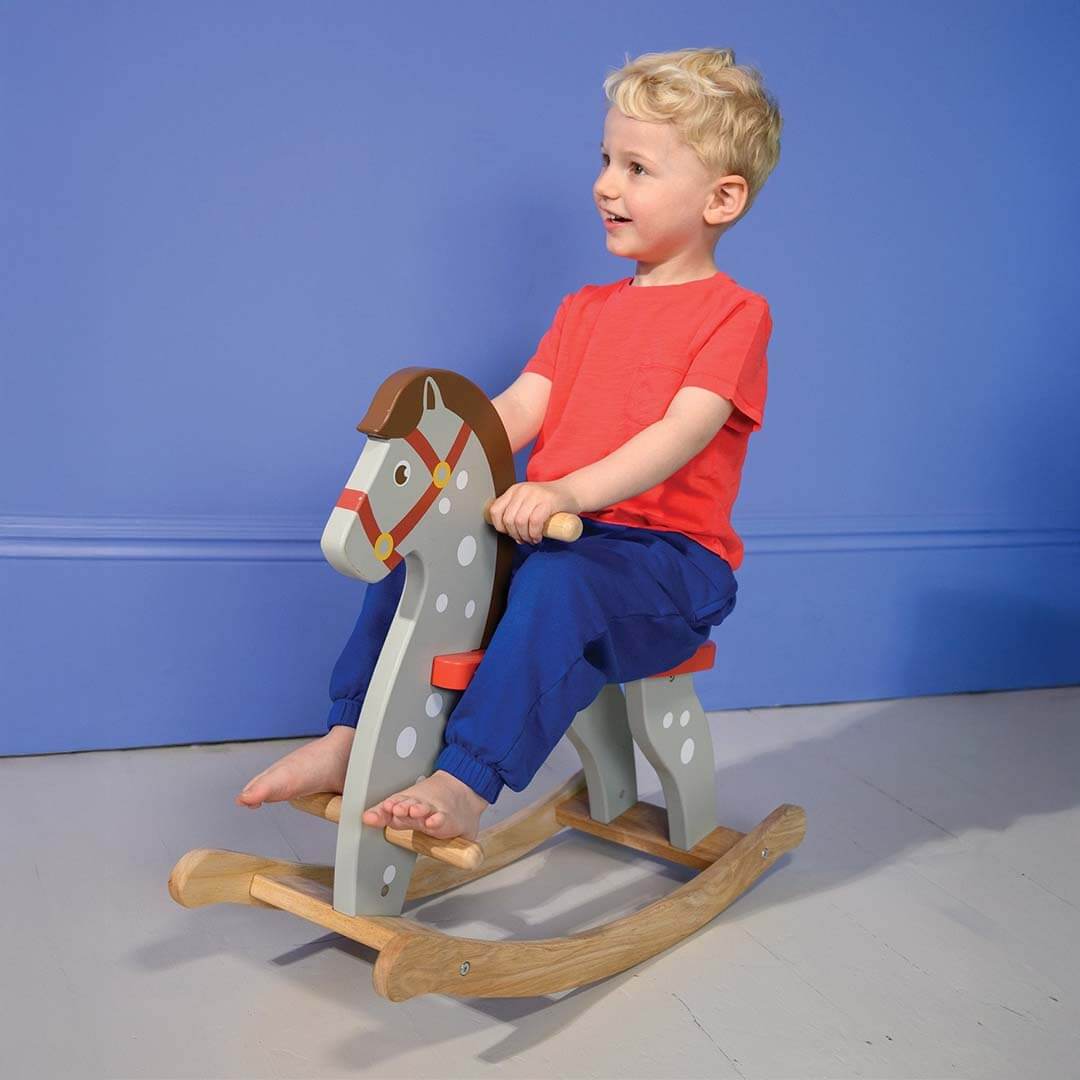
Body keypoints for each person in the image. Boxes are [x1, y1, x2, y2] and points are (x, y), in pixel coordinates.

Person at [237, 46, 782, 844]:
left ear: (721, 198)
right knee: (423, 552)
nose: (605, 184)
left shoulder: (734, 314)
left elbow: (680, 433)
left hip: (669, 564)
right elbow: (523, 407)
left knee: (561, 587)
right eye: (605, 160)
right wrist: (437, 460)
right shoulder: (586, 310)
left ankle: (467, 778)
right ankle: (350, 736)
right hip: (563, 537)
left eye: (637, 168)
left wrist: (565, 493)